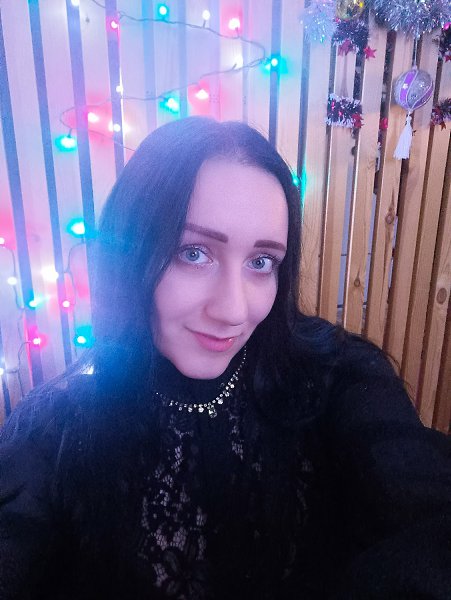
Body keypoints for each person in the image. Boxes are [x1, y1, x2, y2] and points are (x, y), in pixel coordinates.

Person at [0, 117, 450, 600]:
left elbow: (425, 513)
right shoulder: (55, 434)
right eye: (194, 253)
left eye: (261, 262)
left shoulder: (336, 374)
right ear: (131, 253)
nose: (233, 310)